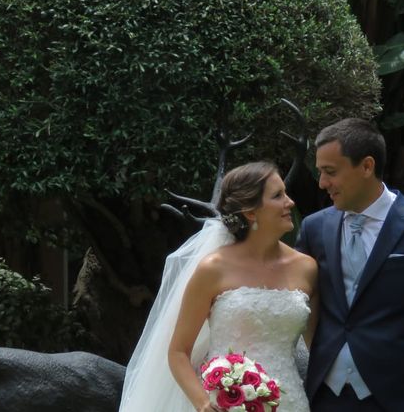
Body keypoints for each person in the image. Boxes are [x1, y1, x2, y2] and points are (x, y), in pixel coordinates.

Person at [295, 118, 404, 411]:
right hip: (325, 396)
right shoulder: (314, 228)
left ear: (366, 166)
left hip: (398, 398)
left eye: (330, 172)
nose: (322, 183)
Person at [119, 161, 318, 412]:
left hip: (290, 403)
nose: (290, 202)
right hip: (224, 405)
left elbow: (318, 348)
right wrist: (203, 403)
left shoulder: (307, 269)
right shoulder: (213, 269)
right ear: (250, 211)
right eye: (278, 196)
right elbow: (178, 352)